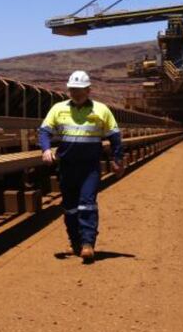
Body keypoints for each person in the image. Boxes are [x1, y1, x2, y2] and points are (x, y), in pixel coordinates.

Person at [38, 70, 125, 263]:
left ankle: (87, 244)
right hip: (66, 166)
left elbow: (115, 137)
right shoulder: (58, 109)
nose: (75, 93)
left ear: (88, 90)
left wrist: (117, 160)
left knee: (87, 203)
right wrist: (45, 150)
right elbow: (44, 131)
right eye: (72, 89)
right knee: (70, 207)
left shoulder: (102, 110)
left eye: (80, 90)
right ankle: (75, 243)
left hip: (90, 168)